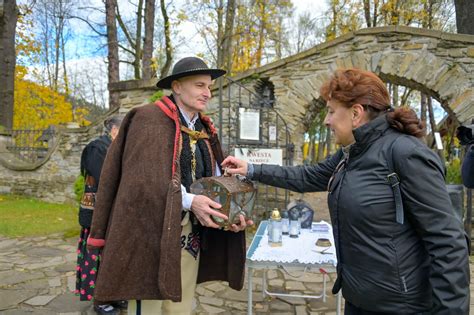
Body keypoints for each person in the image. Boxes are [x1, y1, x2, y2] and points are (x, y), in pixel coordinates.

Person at [222, 69, 470, 314]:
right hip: (358, 299)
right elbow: (309, 176)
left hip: (400, 306)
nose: (326, 120)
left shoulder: (405, 153)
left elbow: (447, 242)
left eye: (331, 112)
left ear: (356, 113)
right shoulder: (352, 152)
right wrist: (251, 169)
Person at [86, 56, 252, 315]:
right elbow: (139, 180)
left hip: (189, 235)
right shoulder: (147, 119)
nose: (207, 93)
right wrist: (189, 200)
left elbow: (213, 180)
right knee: (149, 306)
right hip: (149, 232)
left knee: (180, 306)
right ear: (176, 86)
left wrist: (231, 211)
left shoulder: (203, 128)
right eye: (199, 85)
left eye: (209, 87)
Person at [75, 116, 123, 315]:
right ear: (113, 129)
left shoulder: (113, 148)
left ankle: (113, 295)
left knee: (113, 257)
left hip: (111, 213)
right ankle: (100, 300)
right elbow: (105, 178)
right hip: (97, 216)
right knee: (97, 259)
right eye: (123, 130)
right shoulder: (97, 148)